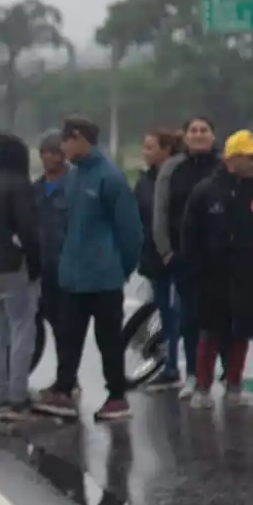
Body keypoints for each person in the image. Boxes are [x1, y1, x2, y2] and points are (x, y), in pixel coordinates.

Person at [34, 116, 143, 421]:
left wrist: (120, 268)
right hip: (72, 276)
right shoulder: (74, 177)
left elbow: (130, 232)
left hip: (104, 278)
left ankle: (117, 397)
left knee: (108, 340)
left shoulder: (110, 178)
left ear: (80, 139)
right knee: (68, 336)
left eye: (66, 141)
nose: (63, 148)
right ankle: (63, 389)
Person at [180, 130, 253, 408]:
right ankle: (202, 387)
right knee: (210, 334)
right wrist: (197, 269)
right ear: (233, 159)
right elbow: (189, 235)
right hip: (213, 279)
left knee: (240, 335)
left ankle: (234, 385)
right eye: (250, 156)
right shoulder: (205, 191)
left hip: (249, 278)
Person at [0, 134, 41, 421]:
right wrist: (36, 263)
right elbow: (28, 228)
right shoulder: (18, 184)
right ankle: (18, 397)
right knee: (22, 329)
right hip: (14, 266)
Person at [153, 116, 221, 398]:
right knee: (190, 319)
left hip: (221, 260)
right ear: (185, 136)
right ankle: (194, 374)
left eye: (204, 130)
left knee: (222, 321)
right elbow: (161, 211)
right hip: (184, 258)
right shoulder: (172, 168)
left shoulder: (224, 167)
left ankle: (229, 377)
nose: (198, 134)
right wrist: (166, 251)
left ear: (213, 136)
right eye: (193, 130)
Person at [136, 128, 184, 389]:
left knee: (180, 310)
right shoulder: (144, 181)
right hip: (153, 255)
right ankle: (170, 364)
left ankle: (176, 366)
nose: (145, 153)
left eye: (150, 148)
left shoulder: (178, 178)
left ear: (166, 150)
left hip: (176, 254)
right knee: (165, 311)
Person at [33, 131, 70, 358]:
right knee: (51, 321)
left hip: (66, 266)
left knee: (67, 327)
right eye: (45, 153)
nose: (49, 158)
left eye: (54, 153)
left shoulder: (74, 187)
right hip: (42, 268)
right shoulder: (34, 189)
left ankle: (67, 378)